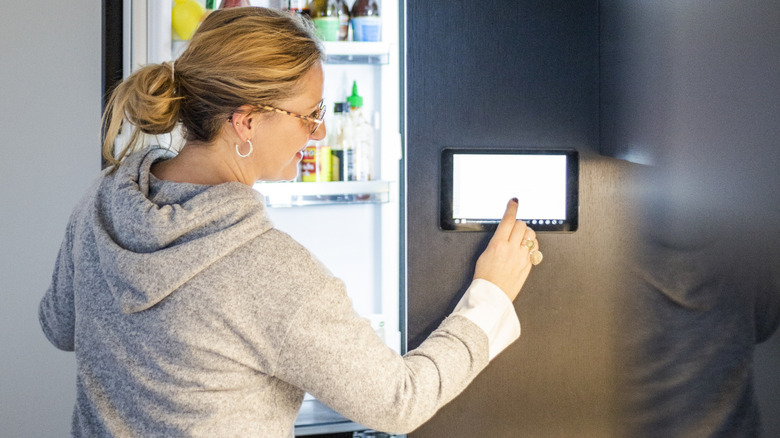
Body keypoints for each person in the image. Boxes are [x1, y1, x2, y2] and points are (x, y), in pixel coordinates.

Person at [38, 7, 541, 437]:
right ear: (247, 121)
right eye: (308, 113)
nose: (319, 132)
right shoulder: (268, 272)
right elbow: (398, 401)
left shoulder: (101, 202)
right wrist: (489, 295)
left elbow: (59, 326)